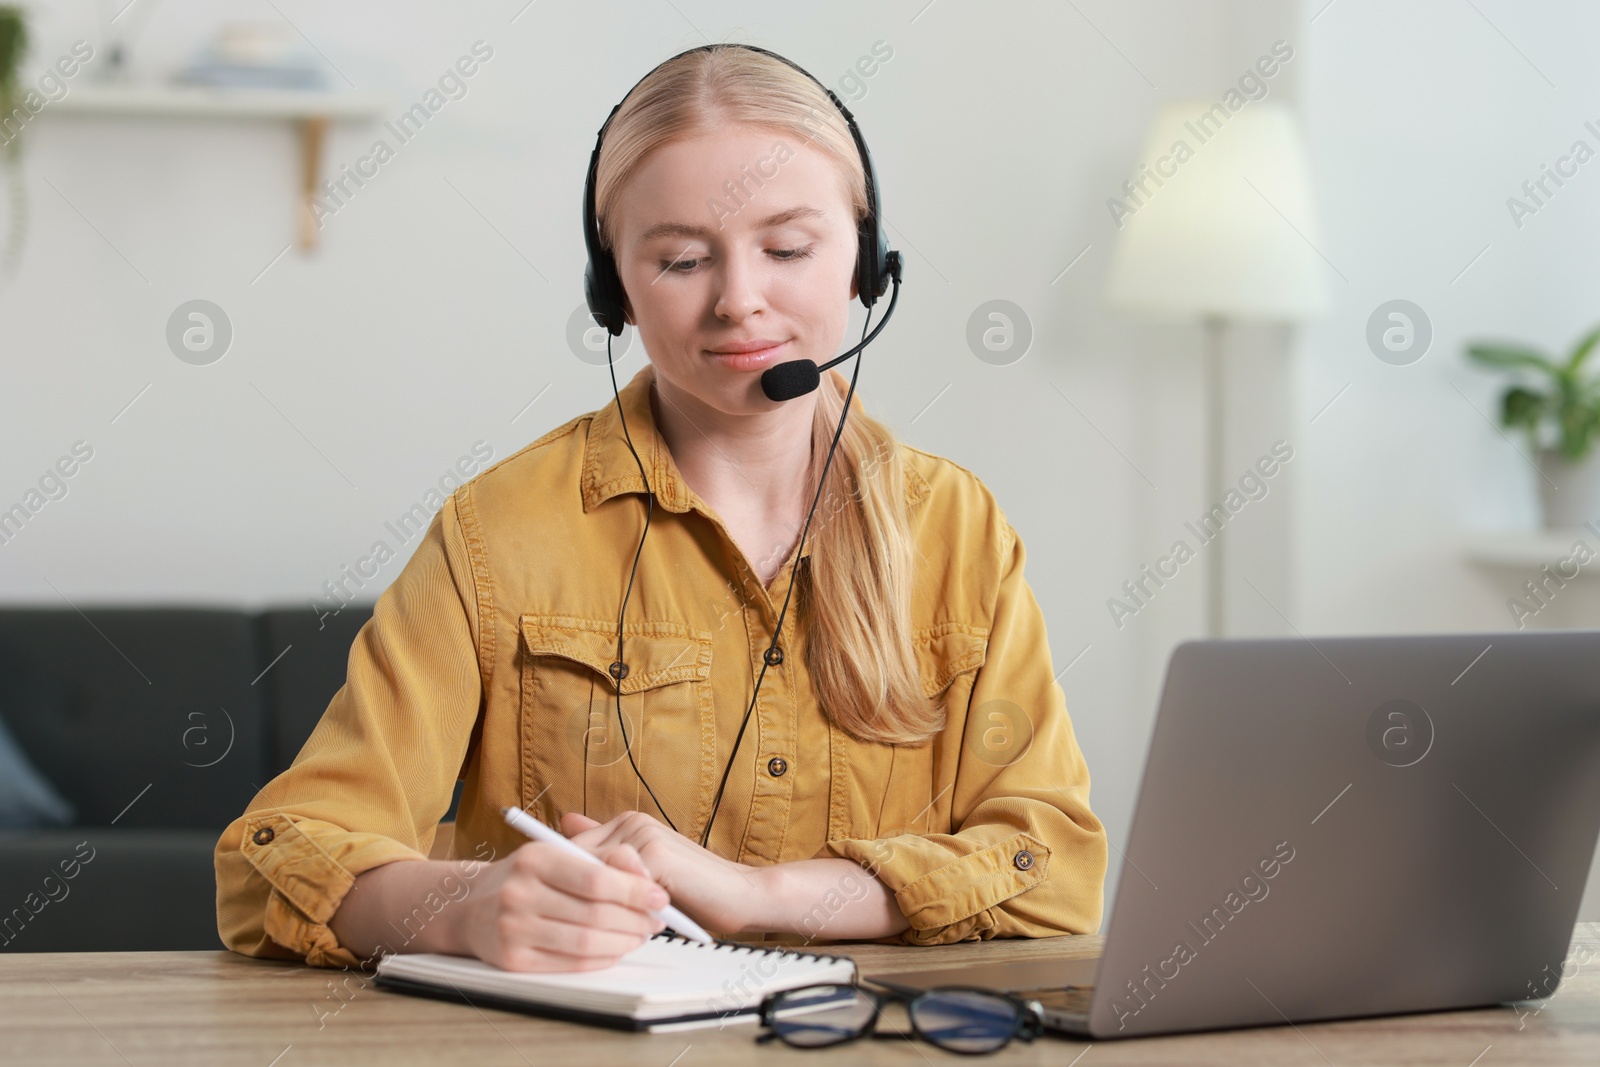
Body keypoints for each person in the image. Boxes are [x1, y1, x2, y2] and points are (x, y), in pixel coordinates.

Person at [214, 43, 1107, 976]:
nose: (739, 301)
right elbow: (275, 857)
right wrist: (463, 906)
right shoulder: (499, 531)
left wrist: (761, 893)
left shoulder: (956, 529)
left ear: (865, 262)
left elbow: (1052, 864)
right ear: (615, 291)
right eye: (682, 259)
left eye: (789, 248)